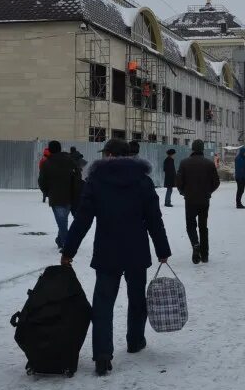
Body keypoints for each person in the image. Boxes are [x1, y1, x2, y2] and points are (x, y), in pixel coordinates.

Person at [61, 138, 171, 376]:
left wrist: (69, 250)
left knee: (103, 303)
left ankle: (102, 354)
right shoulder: (143, 181)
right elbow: (154, 219)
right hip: (136, 251)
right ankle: (135, 340)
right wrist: (162, 250)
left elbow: (82, 220)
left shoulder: (96, 181)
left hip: (107, 251)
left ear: (109, 155)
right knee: (136, 298)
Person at [176, 140, 220, 264]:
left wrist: (184, 192)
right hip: (204, 200)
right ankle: (205, 255)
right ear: (202, 149)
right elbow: (216, 182)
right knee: (203, 227)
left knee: (190, 226)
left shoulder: (184, 163)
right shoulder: (209, 164)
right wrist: (208, 192)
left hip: (190, 200)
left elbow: (178, 182)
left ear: (192, 149)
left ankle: (195, 245)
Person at [38, 140, 79, 251]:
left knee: (62, 222)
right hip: (71, 196)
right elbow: (78, 175)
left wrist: (46, 192)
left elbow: (41, 181)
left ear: (50, 150)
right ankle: (60, 240)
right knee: (63, 220)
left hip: (56, 197)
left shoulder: (46, 163)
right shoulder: (70, 160)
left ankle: (67, 245)